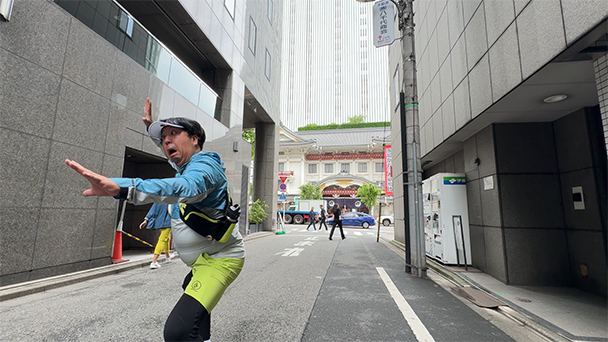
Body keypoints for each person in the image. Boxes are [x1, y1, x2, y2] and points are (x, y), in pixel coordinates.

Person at [65, 98, 244, 342]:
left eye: (174, 134)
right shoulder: (185, 162)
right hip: (202, 260)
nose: (166, 141)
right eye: (163, 139)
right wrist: (152, 128)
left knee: (177, 332)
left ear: (195, 140)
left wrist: (123, 187)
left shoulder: (204, 166)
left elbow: (188, 187)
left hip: (219, 261)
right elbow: (173, 156)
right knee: (192, 301)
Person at [139, 203, 172, 269]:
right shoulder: (172, 198)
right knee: (162, 239)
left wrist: (146, 220)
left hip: (159, 222)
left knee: (167, 238)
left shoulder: (159, 198)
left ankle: (168, 257)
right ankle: (154, 261)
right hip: (168, 222)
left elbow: (153, 210)